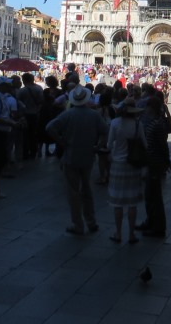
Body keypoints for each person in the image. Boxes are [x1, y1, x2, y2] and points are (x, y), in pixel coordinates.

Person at [44, 84, 109, 236]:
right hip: (88, 156)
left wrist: (61, 141)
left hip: (71, 155)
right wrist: (98, 146)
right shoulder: (94, 115)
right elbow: (105, 131)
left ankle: (78, 224)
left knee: (73, 192)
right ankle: (91, 221)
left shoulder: (68, 114)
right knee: (87, 189)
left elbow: (49, 128)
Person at [107, 96, 147, 244]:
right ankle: (131, 234)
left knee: (117, 202)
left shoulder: (115, 123)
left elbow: (109, 144)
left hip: (118, 164)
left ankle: (118, 233)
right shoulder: (138, 124)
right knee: (132, 202)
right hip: (133, 164)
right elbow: (144, 144)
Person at [138, 95, 171, 237]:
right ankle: (150, 221)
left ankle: (158, 227)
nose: (146, 109)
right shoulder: (153, 122)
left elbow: (163, 145)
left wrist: (166, 162)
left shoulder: (157, 124)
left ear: (152, 108)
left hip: (155, 163)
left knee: (154, 196)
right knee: (149, 195)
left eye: (148, 107)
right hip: (150, 161)